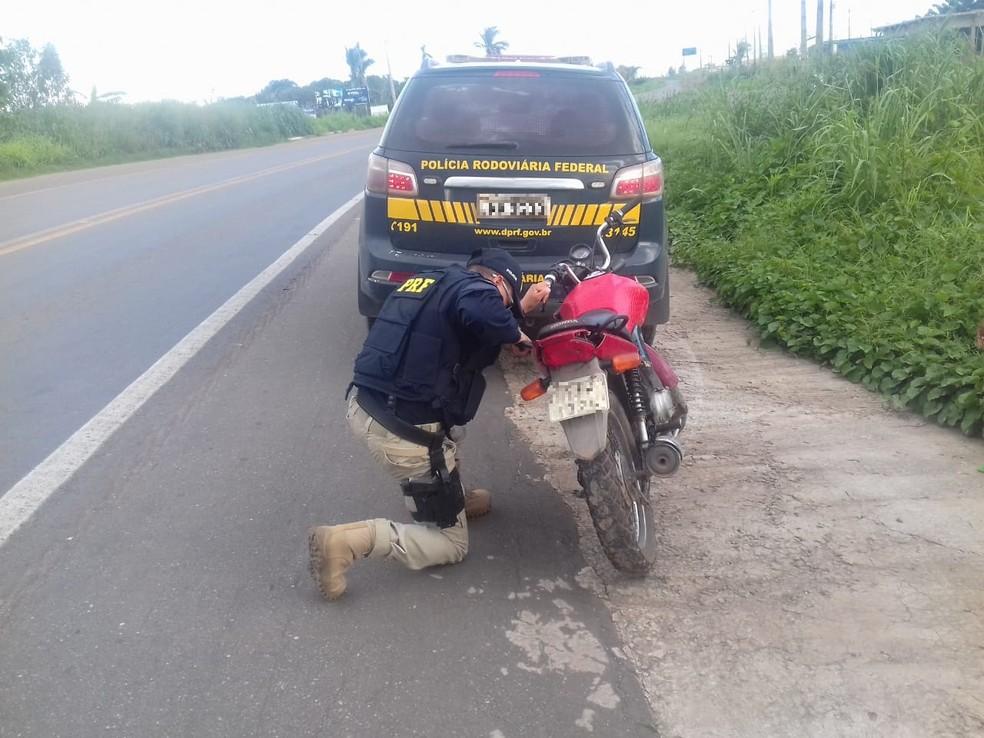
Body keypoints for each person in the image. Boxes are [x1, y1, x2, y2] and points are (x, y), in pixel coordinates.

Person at [308, 248, 551, 600]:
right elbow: (479, 307)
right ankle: (344, 542)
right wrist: (516, 334)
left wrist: (516, 312)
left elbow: (463, 321)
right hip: (402, 434)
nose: (507, 307)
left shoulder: (431, 282)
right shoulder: (478, 291)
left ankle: (454, 496)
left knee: (453, 424)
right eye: (508, 299)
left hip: (365, 404)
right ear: (497, 280)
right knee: (450, 544)